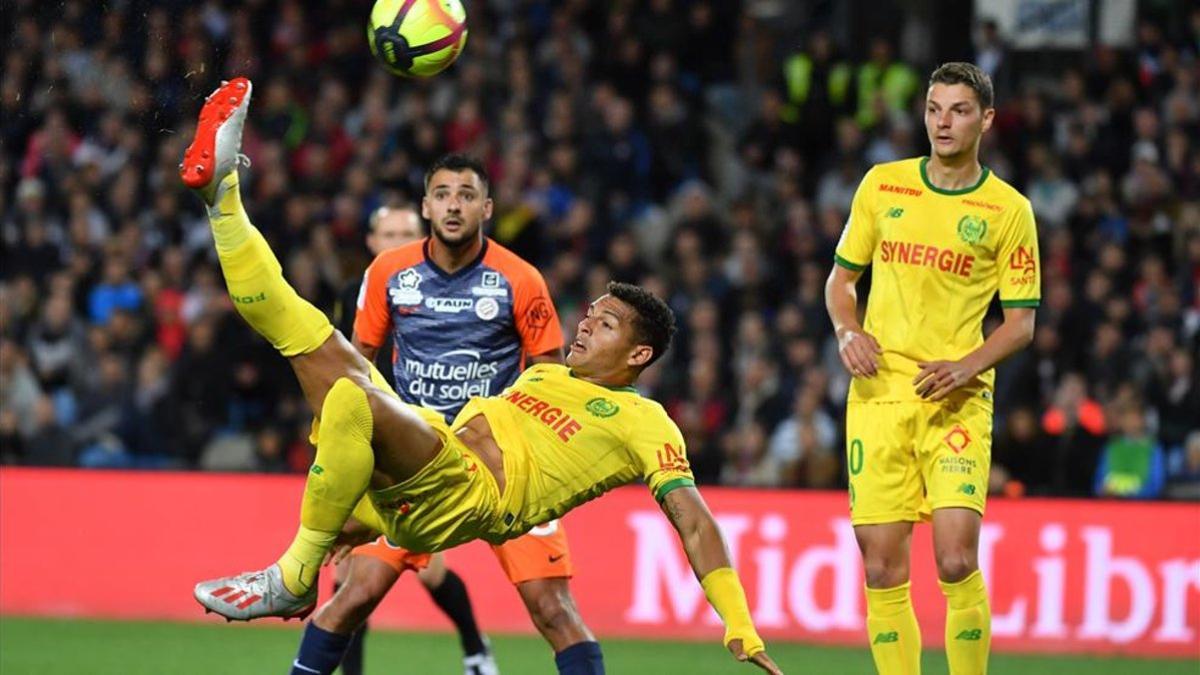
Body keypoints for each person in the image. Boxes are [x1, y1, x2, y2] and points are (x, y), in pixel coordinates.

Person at [182, 78, 781, 675]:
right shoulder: (546, 378)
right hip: (426, 449)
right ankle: (223, 194)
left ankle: (293, 575)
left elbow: (695, 520)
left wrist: (739, 620)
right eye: (589, 315)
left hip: (470, 492)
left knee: (351, 403)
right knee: (300, 326)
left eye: (604, 325)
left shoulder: (646, 421)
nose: (583, 327)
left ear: (639, 356)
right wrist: (357, 509)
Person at [309, 157, 603, 675]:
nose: (453, 204)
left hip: (504, 467)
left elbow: (551, 377)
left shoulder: (520, 279)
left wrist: (545, 455)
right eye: (442, 194)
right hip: (416, 469)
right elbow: (358, 373)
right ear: (426, 206)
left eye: (466, 195)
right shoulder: (387, 274)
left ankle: (478, 649)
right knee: (350, 598)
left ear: (487, 209)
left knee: (553, 610)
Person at [825, 62, 1038, 674]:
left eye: (959, 110)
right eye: (934, 109)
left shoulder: (1008, 211)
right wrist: (848, 330)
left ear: (986, 120)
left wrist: (966, 366)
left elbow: (1020, 324)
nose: (943, 123)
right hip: (878, 395)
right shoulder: (882, 185)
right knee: (883, 567)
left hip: (957, 400)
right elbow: (841, 282)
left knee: (953, 560)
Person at [326, 202, 496, 675]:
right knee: (350, 571)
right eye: (389, 233)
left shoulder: (447, 293)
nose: (398, 240)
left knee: (425, 568)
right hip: (367, 438)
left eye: (407, 232)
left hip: (423, 442)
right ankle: (476, 651)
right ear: (371, 242)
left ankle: (475, 647)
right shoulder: (350, 294)